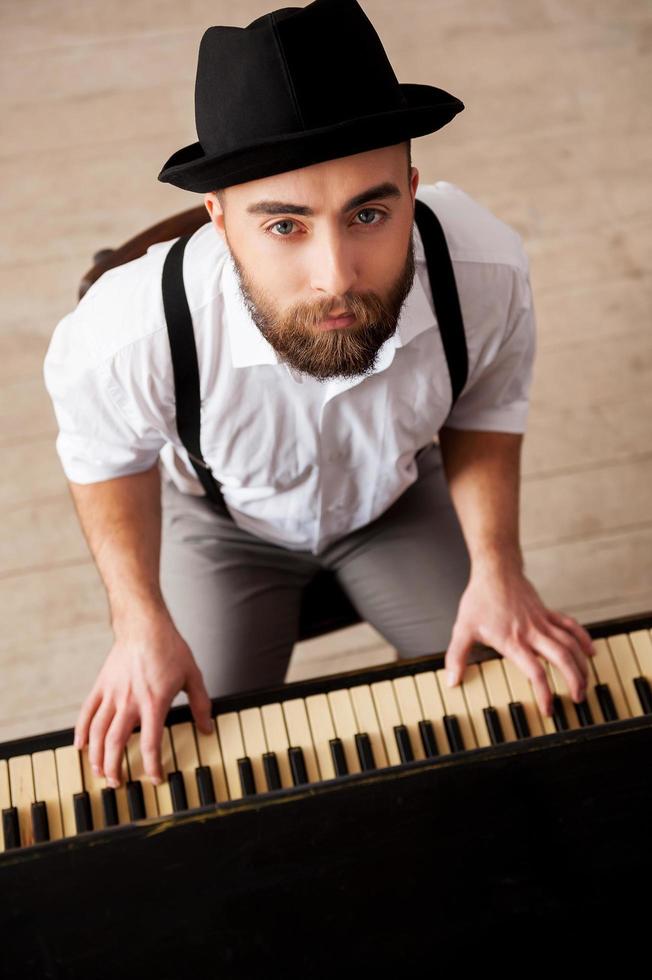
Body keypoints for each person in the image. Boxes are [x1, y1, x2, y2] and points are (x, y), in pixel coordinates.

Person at [42, 0, 596, 792]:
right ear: (219, 221)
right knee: (186, 768)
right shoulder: (127, 332)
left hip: (398, 503)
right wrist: (137, 624)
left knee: (526, 710)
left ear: (411, 189)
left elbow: (486, 406)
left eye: (369, 212)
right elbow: (103, 457)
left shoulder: (484, 273)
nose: (336, 275)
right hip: (223, 525)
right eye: (285, 226)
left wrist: (499, 566)